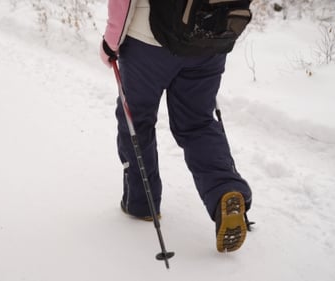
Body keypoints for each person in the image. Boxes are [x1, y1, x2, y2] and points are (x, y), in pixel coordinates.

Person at [99, 0, 253, 252]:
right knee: (198, 122)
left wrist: (111, 42)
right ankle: (225, 191)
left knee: (136, 120)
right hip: (211, 37)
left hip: (149, 41)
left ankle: (141, 204)